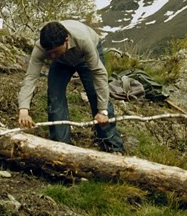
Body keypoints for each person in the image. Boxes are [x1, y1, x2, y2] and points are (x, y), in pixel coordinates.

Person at [17, 20, 124, 153]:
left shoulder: (83, 40)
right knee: (55, 97)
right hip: (61, 64)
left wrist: (102, 111)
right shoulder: (42, 48)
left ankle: (112, 146)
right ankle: (60, 147)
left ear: (66, 40)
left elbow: (99, 73)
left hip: (85, 58)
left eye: (55, 51)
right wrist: (23, 109)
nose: (51, 56)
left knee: (96, 96)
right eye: (49, 53)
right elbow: (31, 77)